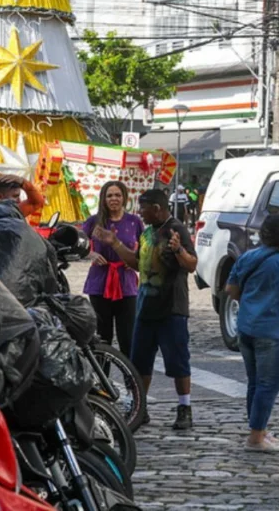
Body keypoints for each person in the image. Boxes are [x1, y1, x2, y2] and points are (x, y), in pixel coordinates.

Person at [92, 189, 198, 430]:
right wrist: (115, 243)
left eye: (144, 208)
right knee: (140, 363)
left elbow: (192, 265)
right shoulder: (147, 232)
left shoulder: (176, 229)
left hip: (172, 308)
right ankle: (140, 408)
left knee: (178, 362)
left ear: (157, 208)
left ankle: (184, 408)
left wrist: (179, 250)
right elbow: (137, 263)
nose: (140, 212)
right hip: (145, 308)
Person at [225, 214, 279, 453]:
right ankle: (256, 437)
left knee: (255, 383)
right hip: (275, 334)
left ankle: (259, 430)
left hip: (247, 329)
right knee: (268, 385)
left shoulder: (247, 257)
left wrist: (251, 304)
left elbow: (231, 289)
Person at [82, 181, 144, 358]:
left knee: (128, 337)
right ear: (103, 198)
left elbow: (145, 248)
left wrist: (134, 258)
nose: (113, 199)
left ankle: (130, 374)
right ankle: (103, 375)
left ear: (124, 197)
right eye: (109, 195)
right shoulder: (94, 222)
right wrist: (90, 254)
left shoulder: (134, 222)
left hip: (127, 285)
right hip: (99, 284)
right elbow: (77, 243)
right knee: (102, 337)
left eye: (117, 195)